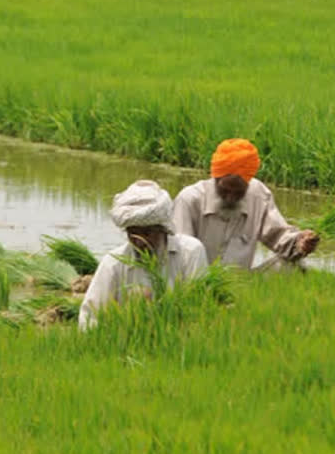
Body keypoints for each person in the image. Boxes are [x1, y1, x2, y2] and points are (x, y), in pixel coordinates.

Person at [78, 180, 208, 330]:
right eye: (133, 233)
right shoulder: (113, 263)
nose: (140, 242)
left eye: (147, 233)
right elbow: (90, 316)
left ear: (163, 229)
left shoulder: (190, 252)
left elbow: (199, 309)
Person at [173, 138, 319, 269]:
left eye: (238, 192)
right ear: (215, 179)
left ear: (248, 184)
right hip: (196, 282)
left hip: (243, 284)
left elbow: (278, 236)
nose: (230, 198)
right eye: (225, 190)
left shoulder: (258, 195)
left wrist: (300, 242)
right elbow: (179, 255)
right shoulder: (189, 200)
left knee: (295, 266)